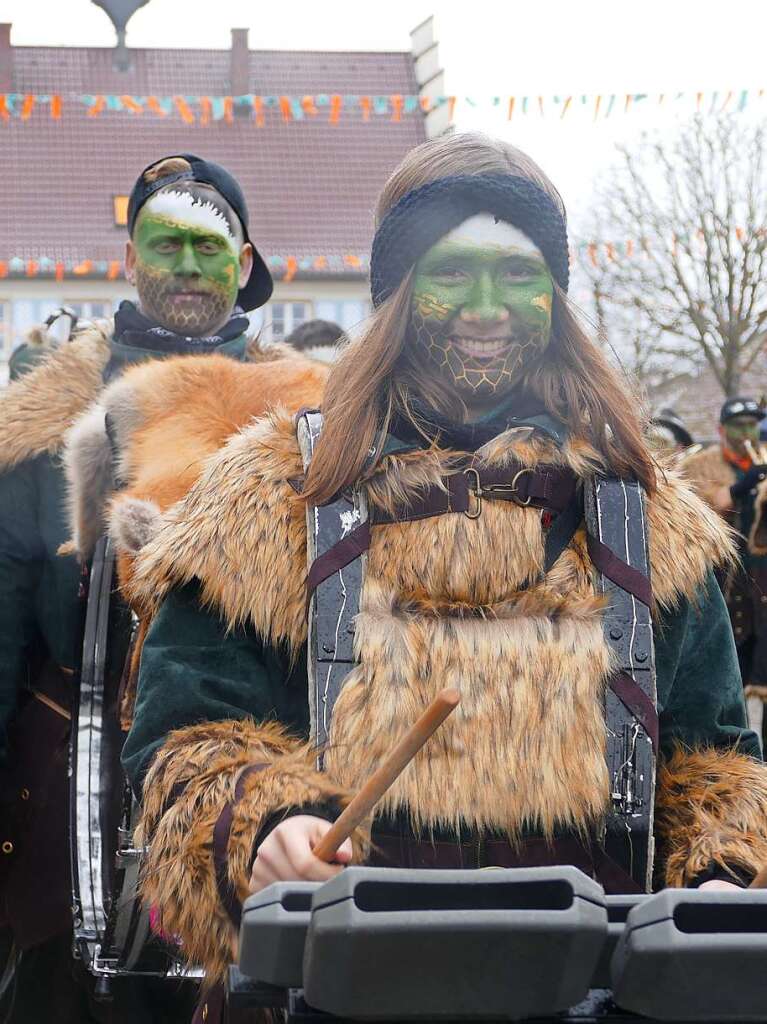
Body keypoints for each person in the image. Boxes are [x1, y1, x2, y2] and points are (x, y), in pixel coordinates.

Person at [114, 134, 766, 1012]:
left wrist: (722, 879)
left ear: (554, 296)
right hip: (330, 994)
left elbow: (715, 765)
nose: (486, 305)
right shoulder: (269, 494)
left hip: (589, 997)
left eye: (516, 272)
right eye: (452, 272)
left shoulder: (646, 514)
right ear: (397, 293)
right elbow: (184, 744)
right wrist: (267, 828)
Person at [0, 152, 272, 1023]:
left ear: (245, 263)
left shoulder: (305, 421)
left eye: (209, 247)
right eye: (165, 244)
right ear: (129, 261)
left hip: (253, 804)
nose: (187, 267)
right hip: (60, 811)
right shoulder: (39, 434)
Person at [685, 397, 767, 743]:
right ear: (721, 430)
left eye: (752, 424)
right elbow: (701, 511)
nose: (746, 432)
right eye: (738, 425)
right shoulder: (700, 465)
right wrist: (739, 487)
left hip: (762, 590)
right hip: (726, 589)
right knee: (726, 683)